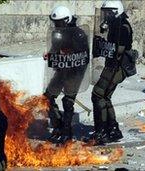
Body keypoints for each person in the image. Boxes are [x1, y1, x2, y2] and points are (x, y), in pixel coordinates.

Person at [43, 6, 90, 144]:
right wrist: (50, 54)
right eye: (55, 22)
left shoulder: (79, 34)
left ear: (67, 20)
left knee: (68, 101)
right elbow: (55, 48)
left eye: (59, 22)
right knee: (47, 97)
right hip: (61, 70)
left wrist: (71, 58)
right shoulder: (57, 33)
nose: (56, 25)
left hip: (75, 72)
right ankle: (58, 127)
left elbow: (84, 56)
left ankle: (66, 132)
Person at [90, 0, 134, 145]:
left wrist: (104, 47)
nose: (106, 15)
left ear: (116, 11)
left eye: (109, 12)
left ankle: (101, 131)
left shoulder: (123, 27)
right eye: (105, 13)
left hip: (117, 67)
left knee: (97, 95)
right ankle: (113, 130)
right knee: (105, 96)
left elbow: (118, 51)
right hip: (112, 65)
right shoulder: (115, 25)